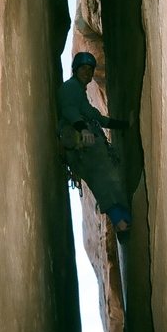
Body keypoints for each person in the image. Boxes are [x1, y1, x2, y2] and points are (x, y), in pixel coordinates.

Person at [57, 51, 131, 234]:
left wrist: (125, 124)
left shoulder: (81, 97)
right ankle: (120, 221)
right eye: (83, 68)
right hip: (81, 145)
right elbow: (68, 109)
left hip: (86, 146)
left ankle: (123, 219)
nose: (87, 73)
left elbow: (99, 119)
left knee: (107, 179)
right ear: (75, 70)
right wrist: (82, 128)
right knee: (104, 178)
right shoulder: (70, 88)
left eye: (90, 70)